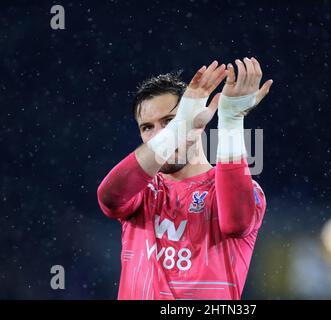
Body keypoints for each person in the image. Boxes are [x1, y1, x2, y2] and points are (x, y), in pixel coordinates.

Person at [97, 58, 273, 299]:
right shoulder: (143, 190)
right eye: (148, 127)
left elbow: (236, 223)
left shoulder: (239, 190)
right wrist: (178, 127)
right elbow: (109, 197)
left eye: (169, 121)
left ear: (198, 120)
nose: (161, 134)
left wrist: (231, 121)